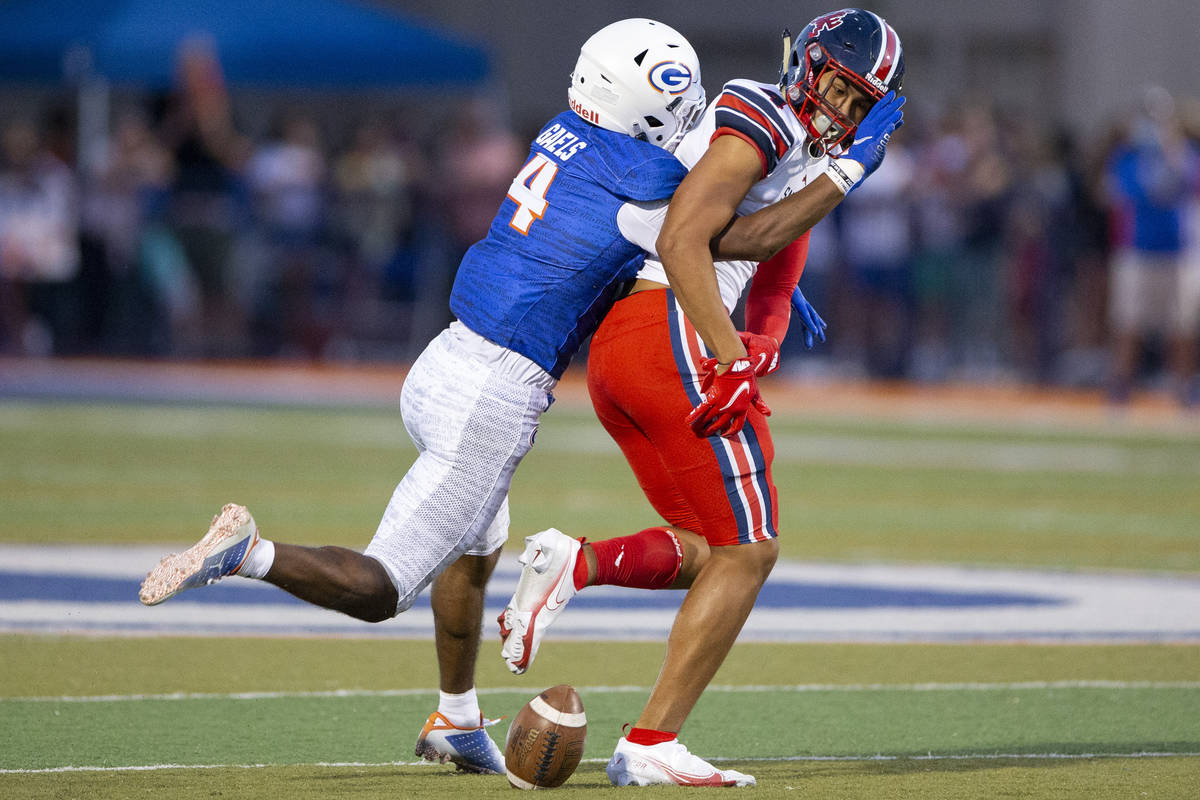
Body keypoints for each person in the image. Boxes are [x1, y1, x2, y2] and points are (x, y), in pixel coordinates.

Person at [139, 18, 722, 777]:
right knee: (383, 587)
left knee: (477, 545)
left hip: (443, 358)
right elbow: (717, 229)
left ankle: (456, 717)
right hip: (495, 389)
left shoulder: (563, 135)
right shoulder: (642, 178)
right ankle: (249, 552)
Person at [499, 8, 905, 788]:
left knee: (709, 547)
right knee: (750, 551)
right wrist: (729, 357)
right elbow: (690, 238)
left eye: (861, 106)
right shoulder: (761, 111)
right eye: (838, 90)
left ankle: (574, 565)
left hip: (635, 343)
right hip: (673, 329)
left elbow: (769, 237)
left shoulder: (788, 136)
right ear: (806, 64)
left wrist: (771, 326)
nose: (843, 113)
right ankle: (651, 741)